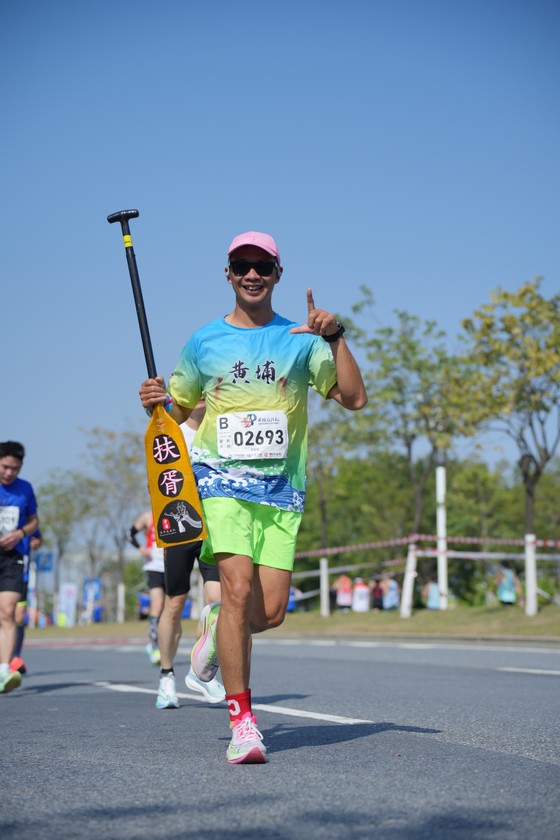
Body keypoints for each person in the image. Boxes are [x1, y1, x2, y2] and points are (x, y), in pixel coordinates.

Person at [139, 230, 367, 763]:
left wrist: (336, 337)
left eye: (262, 266)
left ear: (277, 275)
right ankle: (243, 723)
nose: (252, 274)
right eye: (242, 265)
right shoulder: (204, 342)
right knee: (237, 590)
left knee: (268, 613)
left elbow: (354, 398)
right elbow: (175, 409)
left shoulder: (301, 339)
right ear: (228, 274)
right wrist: (153, 401)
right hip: (220, 484)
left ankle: (215, 627)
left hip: (281, 490)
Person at [154, 401, 225, 710]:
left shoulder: (222, 431)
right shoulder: (171, 432)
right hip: (180, 527)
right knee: (174, 604)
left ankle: (200, 670)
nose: (200, 396)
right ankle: (166, 676)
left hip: (215, 527)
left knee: (218, 605)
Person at [0, 441, 39, 694]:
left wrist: (20, 534)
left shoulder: (25, 489)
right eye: (4, 467)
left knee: (8, 611)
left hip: (13, 556)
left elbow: (34, 521)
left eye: (14, 468)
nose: (9, 473)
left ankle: (4, 670)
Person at [129, 510, 165, 665]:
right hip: (154, 565)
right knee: (157, 605)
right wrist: (140, 548)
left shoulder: (172, 510)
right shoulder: (147, 516)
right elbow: (129, 534)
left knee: (169, 608)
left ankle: (164, 644)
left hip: (171, 564)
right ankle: (153, 645)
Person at [10, 528, 42, 675]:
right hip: (4, 572)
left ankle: (15, 657)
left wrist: (36, 543)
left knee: (19, 617)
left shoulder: (28, 522)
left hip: (21, 575)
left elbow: (38, 538)